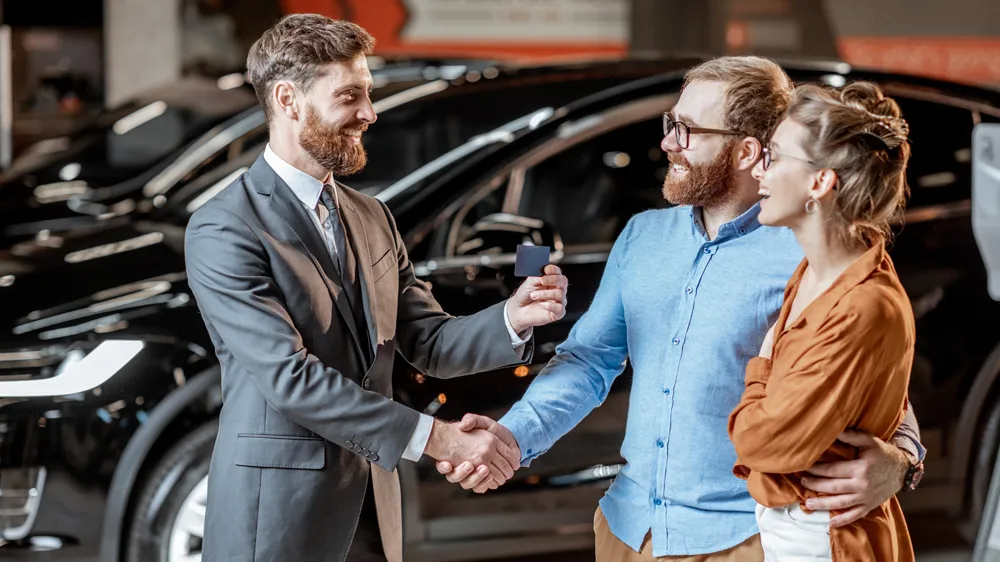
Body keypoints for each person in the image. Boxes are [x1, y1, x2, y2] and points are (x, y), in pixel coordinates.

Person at [437, 56, 926, 561]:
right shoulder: (642, 236)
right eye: (671, 123)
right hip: (629, 530)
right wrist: (513, 438)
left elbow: (876, 377)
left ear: (745, 151)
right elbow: (588, 361)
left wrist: (902, 459)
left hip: (745, 539)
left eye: (687, 129)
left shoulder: (807, 246)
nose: (669, 141)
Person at [184, 14, 569, 562]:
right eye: (350, 96)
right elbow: (291, 379)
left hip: (373, 505)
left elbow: (427, 340)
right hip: (276, 516)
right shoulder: (225, 227)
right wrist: (442, 439)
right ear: (289, 100)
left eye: (369, 94)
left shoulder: (372, 217)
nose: (370, 113)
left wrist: (512, 317)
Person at [727, 81, 915, 560]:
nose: (759, 169)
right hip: (789, 528)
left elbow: (762, 443)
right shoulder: (815, 267)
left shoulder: (863, 303)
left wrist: (763, 362)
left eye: (774, 156)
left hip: (822, 538)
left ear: (820, 182)